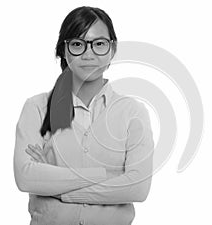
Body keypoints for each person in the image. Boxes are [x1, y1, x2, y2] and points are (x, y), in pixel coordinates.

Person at [13, 6, 155, 225]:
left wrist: (56, 183)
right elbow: (26, 178)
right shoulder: (37, 108)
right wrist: (106, 176)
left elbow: (138, 187)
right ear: (64, 50)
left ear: (112, 50)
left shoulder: (132, 112)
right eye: (78, 44)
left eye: (99, 44)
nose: (89, 54)